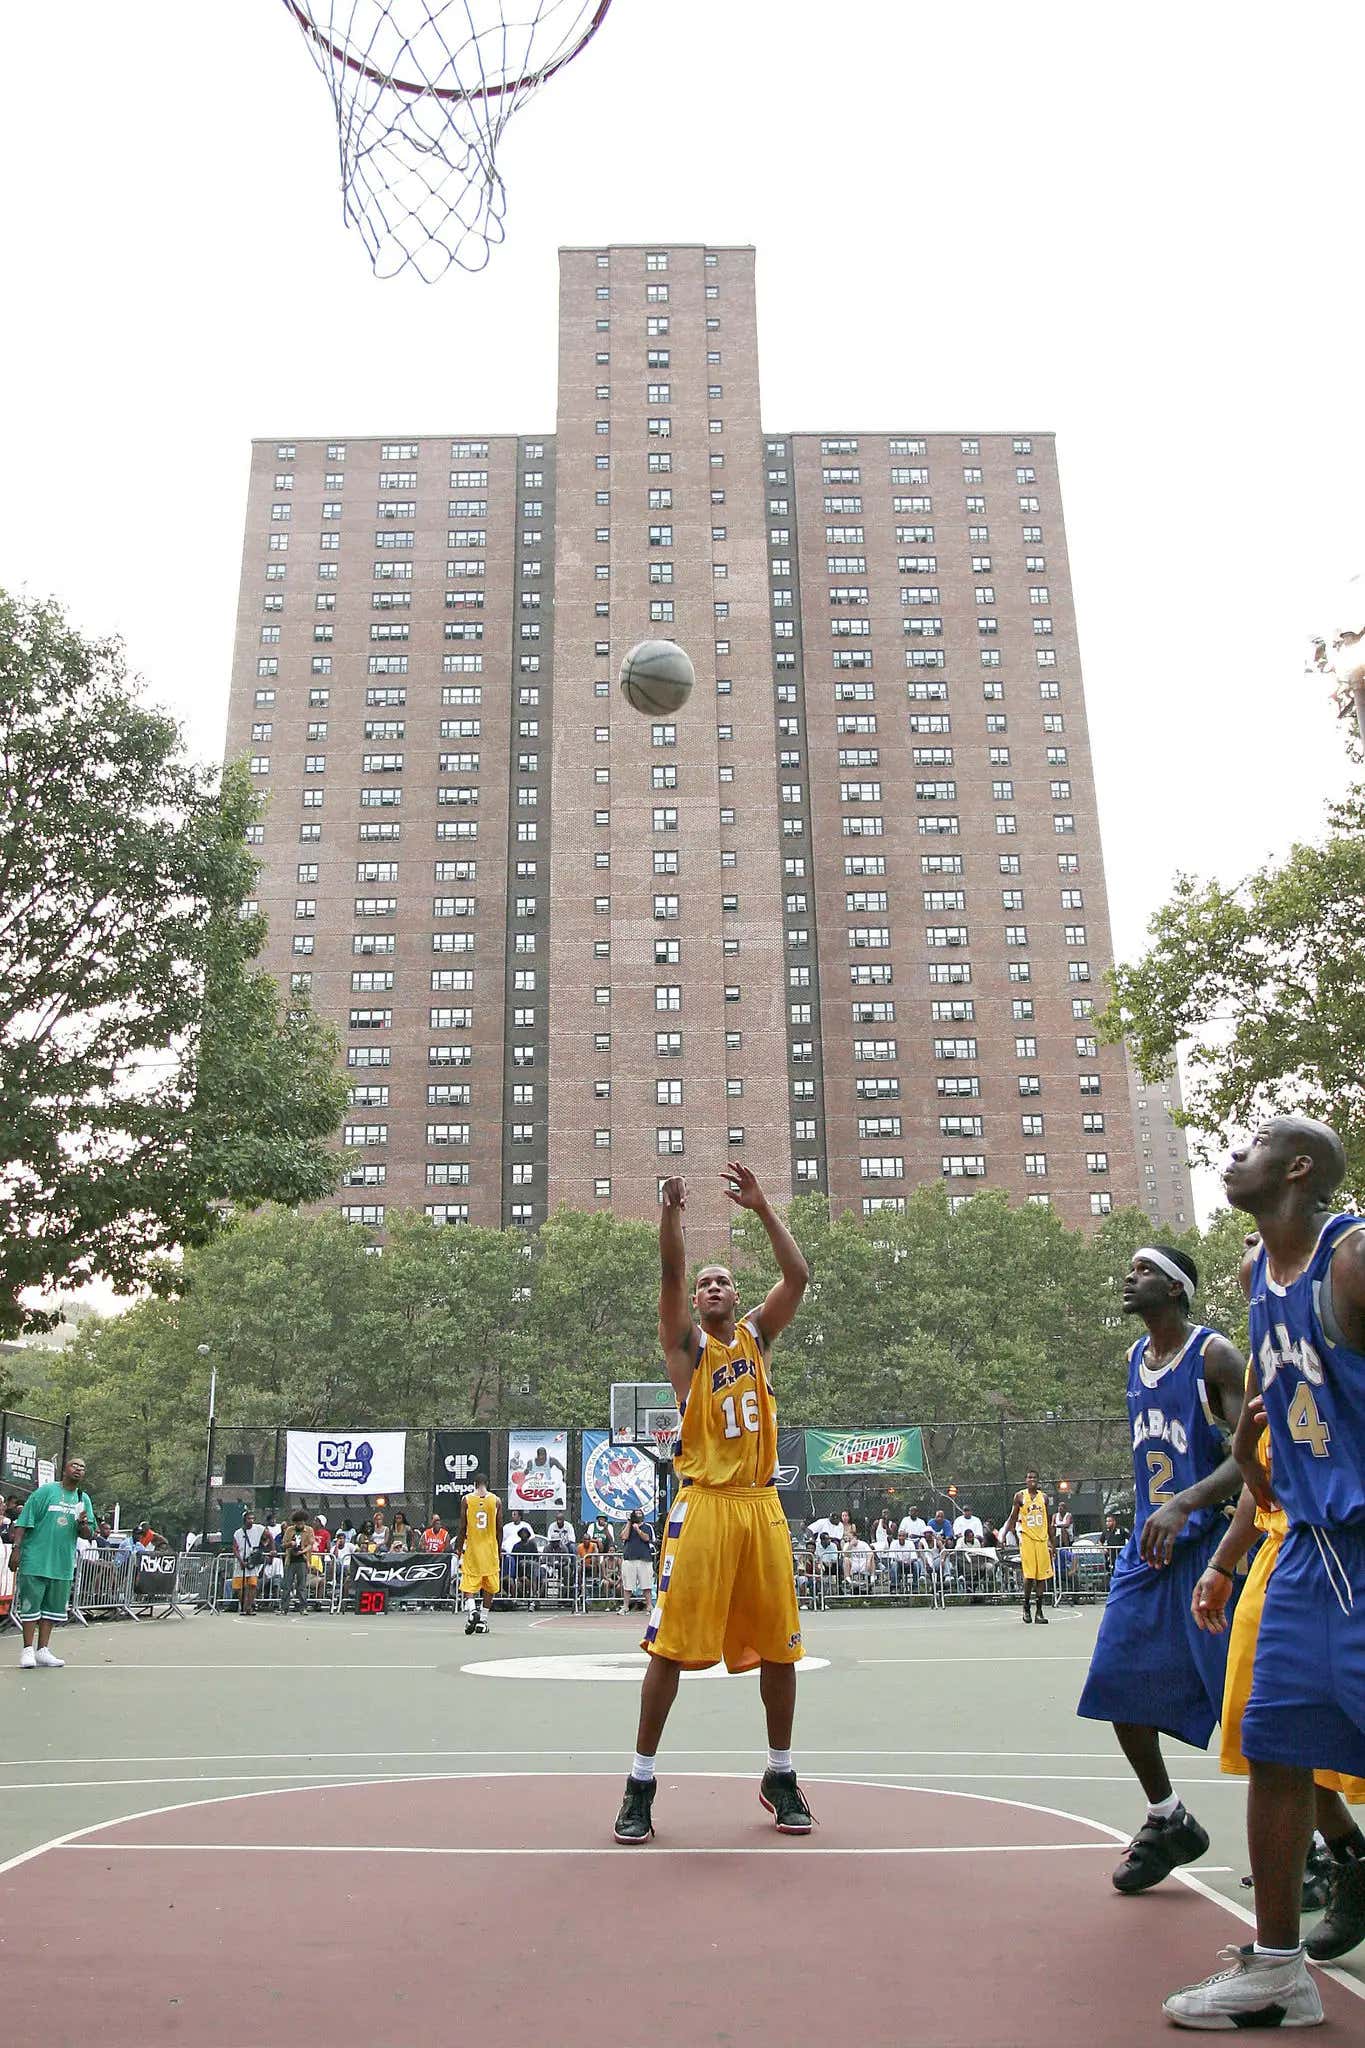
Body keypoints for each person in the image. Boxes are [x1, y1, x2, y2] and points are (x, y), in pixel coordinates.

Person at [1165, 1117, 1365, 2027]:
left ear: (1294, 1171)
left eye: (1248, 1146)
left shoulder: (1351, 1261)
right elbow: (1285, 1439)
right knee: (1278, 1747)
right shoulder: (1255, 1278)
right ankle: (1279, 1971)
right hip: (1303, 1550)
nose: (1227, 1156)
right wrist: (1239, 1508)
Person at [614, 1163, 811, 1845]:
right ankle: (640, 1781)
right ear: (696, 1304)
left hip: (760, 1506)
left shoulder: (758, 1336)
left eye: (723, 1280)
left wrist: (760, 1208)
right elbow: (669, 1276)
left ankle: (779, 1774)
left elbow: (798, 1278)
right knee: (668, 1649)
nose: (712, 1287)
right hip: (703, 1506)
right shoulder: (686, 1350)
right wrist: (670, 1214)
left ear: (736, 1295)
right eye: (705, 1283)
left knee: (781, 1649)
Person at [1077, 1245, 1245, 1893]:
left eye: (1143, 1270)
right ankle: (1167, 1817)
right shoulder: (1130, 1361)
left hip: (1209, 1547)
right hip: (1148, 1554)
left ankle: (1320, 1842)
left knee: (1247, 1704)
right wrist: (1159, 1509)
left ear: (1175, 1290)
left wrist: (1185, 1501)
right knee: (1117, 1684)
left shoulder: (1213, 1356)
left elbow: (1255, 1458)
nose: (1128, 1277)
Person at [11, 1455, 96, 1669]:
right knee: (31, 1606)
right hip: (36, 1559)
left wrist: (82, 1524)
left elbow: (88, 1534)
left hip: (62, 1562)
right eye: (74, 1465)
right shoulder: (45, 1492)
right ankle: (28, 1650)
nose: (78, 1469)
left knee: (51, 1609)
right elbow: (24, 1521)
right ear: (65, 1469)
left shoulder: (82, 1498)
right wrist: (16, 1549)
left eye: (82, 1467)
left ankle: (43, 1650)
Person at [1003, 1471, 1053, 1624]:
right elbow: (1012, 1517)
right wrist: (1004, 1534)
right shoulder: (1020, 1496)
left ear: (1038, 1481)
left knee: (1041, 1577)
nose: (1032, 1480)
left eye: (1034, 1478)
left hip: (1042, 1540)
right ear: (1025, 1480)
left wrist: (1053, 1543)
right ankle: (1026, 1607)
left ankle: (1039, 1611)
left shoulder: (1044, 1498)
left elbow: (1048, 1520)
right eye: (1029, 1477)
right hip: (1027, 1538)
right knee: (1029, 1576)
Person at [457, 1472, 501, 1635]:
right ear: (487, 1483)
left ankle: (471, 1611)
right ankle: (482, 1620)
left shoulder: (467, 1500)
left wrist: (458, 1547)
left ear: (474, 1484)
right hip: (490, 1548)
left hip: (473, 1548)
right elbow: (499, 1527)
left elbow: (462, 1526)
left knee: (469, 1581)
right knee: (490, 1583)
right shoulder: (496, 1500)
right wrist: (499, 1547)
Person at [619, 1508, 656, 1616]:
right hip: (629, 1559)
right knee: (628, 1585)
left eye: (640, 1513)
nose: (638, 1515)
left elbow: (646, 1538)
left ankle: (649, 1607)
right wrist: (629, 1523)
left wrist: (638, 1530)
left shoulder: (647, 1527)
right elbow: (624, 1536)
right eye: (636, 1513)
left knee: (646, 1585)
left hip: (644, 1559)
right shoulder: (628, 1526)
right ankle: (625, 1607)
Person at [279, 1509, 315, 1615]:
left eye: (302, 1522)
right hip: (290, 1560)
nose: (300, 1524)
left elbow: (310, 1544)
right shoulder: (290, 1530)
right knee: (287, 1585)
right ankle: (284, 1608)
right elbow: (283, 1544)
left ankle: (303, 1607)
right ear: (295, 1522)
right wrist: (290, 1544)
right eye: (298, 1522)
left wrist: (302, 1551)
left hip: (302, 1560)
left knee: (301, 1586)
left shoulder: (309, 1530)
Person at [231, 1510, 263, 1616]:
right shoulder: (238, 1533)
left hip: (252, 1561)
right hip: (241, 1561)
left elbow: (268, 1536)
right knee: (238, 1587)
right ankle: (243, 1605)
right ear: (244, 1519)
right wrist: (240, 1561)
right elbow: (235, 1548)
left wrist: (272, 1549)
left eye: (253, 1518)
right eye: (249, 1518)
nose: (251, 1521)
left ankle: (249, 1607)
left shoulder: (258, 1529)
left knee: (252, 1585)